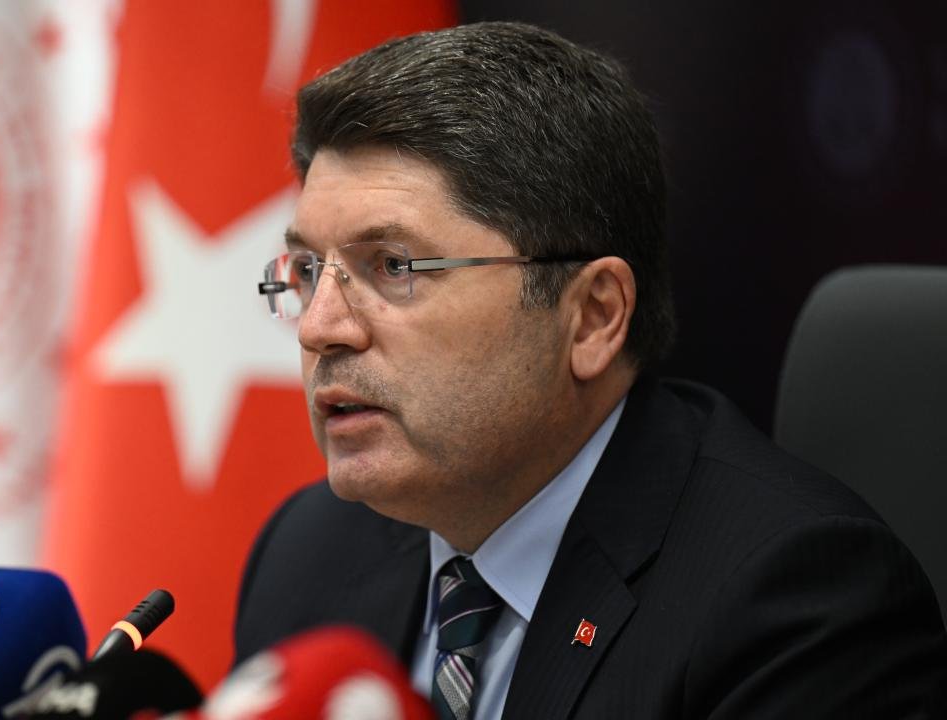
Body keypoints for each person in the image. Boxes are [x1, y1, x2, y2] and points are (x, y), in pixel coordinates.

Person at [234, 21, 947, 719]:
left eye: (393, 266)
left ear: (593, 317)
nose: (320, 327)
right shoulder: (308, 552)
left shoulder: (790, 605)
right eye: (307, 269)